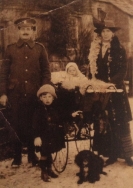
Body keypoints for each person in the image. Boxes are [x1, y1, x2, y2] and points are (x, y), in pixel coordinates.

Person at [0, 17, 51, 167]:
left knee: (32, 124)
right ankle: (16, 157)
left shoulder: (40, 49)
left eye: (28, 29)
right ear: (18, 31)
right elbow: (3, 74)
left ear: (33, 31)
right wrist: (3, 93)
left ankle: (31, 155)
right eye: (22, 29)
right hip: (15, 95)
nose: (25, 32)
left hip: (34, 94)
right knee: (15, 125)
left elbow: (46, 72)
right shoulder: (10, 49)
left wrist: (44, 90)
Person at [89, 19, 133, 166]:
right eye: (103, 31)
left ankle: (128, 155)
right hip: (102, 92)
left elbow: (123, 71)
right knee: (106, 123)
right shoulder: (95, 49)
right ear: (100, 34)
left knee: (121, 122)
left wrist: (111, 83)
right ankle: (112, 154)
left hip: (116, 91)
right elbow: (93, 71)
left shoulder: (119, 49)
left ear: (113, 33)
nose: (106, 34)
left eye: (109, 31)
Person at [33, 84, 65, 182]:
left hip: (52, 135)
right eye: (44, 97)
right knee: (44, 154)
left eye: (49, 97)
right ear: (40, 99)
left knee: (49, 152)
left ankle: (49, 169)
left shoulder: (54, 109)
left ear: (53, 98)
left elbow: (59, 119)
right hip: (43, 137)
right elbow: (35, 125)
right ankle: (44, 172)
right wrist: (37, 136)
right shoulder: (39, 111)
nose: (47, 99)